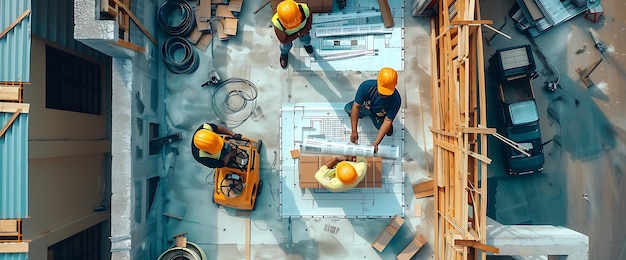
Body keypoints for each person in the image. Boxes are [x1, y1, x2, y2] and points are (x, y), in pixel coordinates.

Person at [345, 67, 401, 153]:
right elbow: (356, 106)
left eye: (386, 93)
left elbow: (388, 121)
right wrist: (354, 131)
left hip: (379, 115)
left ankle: (374, 118)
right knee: (349, 108)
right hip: (366, 108)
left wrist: (376, 143)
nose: (383, 95)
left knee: (388, 131)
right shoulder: (366, 86)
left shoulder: (396, 100)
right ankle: (364, 114)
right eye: (381, 93)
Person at [272, 0, 314, 69]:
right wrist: (299, 33)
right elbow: (284, 40)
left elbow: (309, 15)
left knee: (306, 39)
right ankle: (284, 54)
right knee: (286, 46)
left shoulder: (304, 9)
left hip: (303, 30)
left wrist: (307, 27)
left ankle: (307, 45)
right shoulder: (277, 24)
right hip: (288, 35)